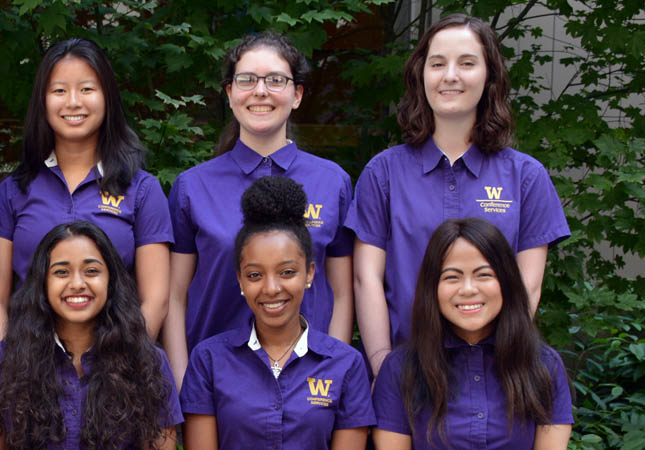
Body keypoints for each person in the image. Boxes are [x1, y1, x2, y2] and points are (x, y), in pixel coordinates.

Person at [345, 13, 570, 374]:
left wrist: (501, 366)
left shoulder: (526, 176)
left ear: (490, 76)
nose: (450, 75)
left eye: (467, 63)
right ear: (421, 75)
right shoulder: (383, 173)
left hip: (496, 375)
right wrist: (382, 369)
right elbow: (365, 279)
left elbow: (529, 285)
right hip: (407, 375)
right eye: (437, 63)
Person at [164, 32, 356, 386]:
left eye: (276, 80)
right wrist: (182, 383)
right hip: (216, 384)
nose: (261, 91)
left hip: (310, 386)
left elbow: (343, 293)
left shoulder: (334, 183)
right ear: (230, 93)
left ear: (297, 95)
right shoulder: (193, 187)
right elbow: (174, 298)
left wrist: (336, 378)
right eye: (247, 80)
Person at [0, 38, 172, 345]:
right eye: (59, 90)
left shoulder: (142, 190)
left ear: (107, 97)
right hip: (29, 369)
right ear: (42, 101)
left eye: (87, 89)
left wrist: (121, 365)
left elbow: (156, 300)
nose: (73, 102)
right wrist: (7, 367)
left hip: (116, 368)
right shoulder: (13, 191)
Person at [180, 176, 373, 450]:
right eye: (255, 274)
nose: (271, 288)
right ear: (240, 280)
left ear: (309, 273)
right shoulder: (208, 360)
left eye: (287, 272)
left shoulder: (346, 365)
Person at [0, 221, 181, 450]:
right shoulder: (1, 362)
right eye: (61, 272)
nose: (78, 284)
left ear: (111, 282)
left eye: (92, 271)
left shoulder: (148, 362)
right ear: (42, 283)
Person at [371, 217, 572, 449]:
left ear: (506, 281)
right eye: (451, 277)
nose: (468, 289)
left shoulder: (544, 365)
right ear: (431, 288)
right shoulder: (400, 369)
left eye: (483, 275)